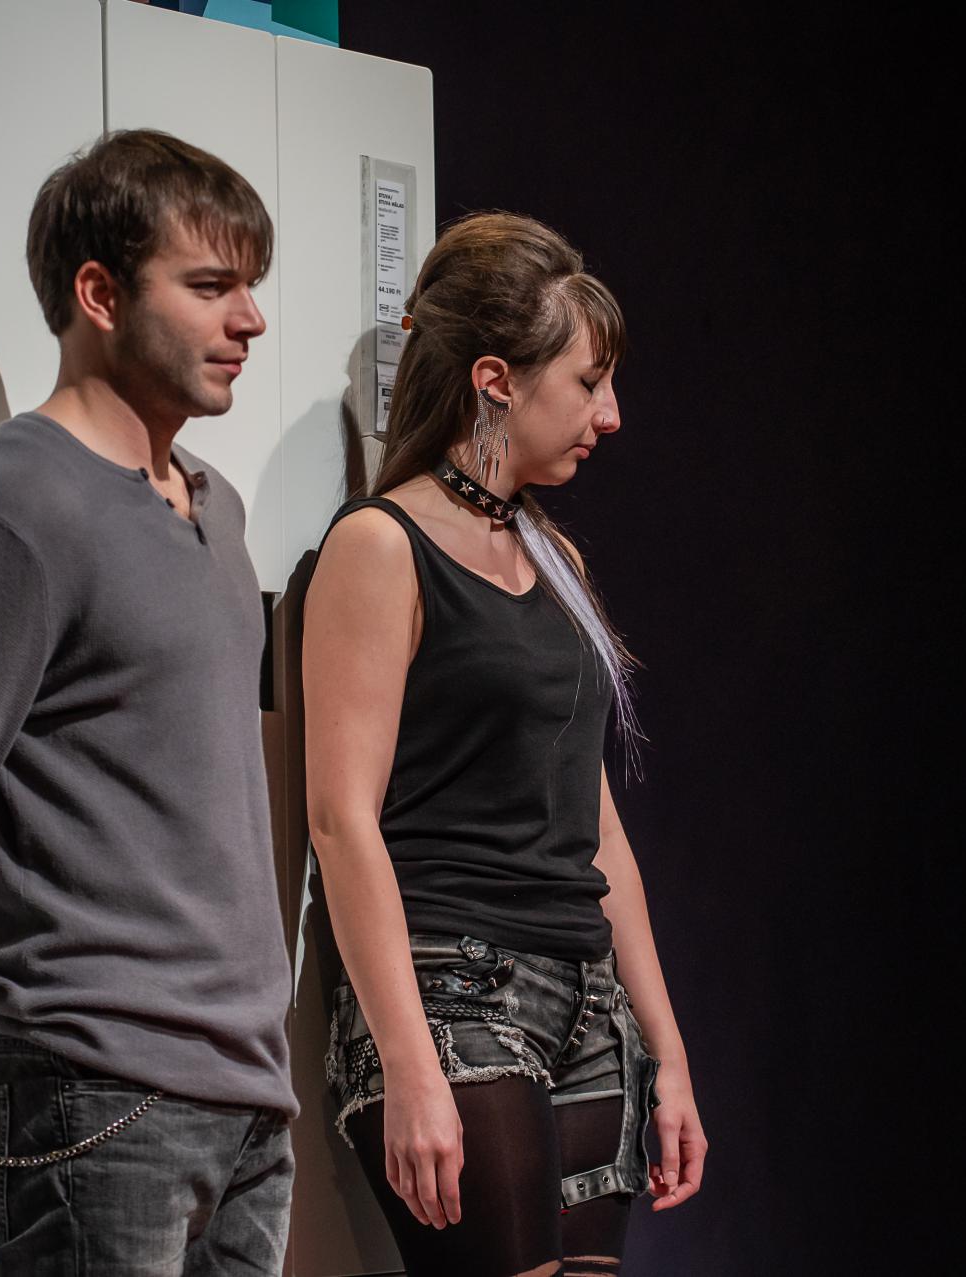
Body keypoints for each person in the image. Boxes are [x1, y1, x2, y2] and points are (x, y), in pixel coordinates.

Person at [0, 129, 296, 1276]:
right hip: (92, 1084)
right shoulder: (16, 511)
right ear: (100, 294)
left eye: (250, 285)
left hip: (246, 1093)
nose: (250, 319)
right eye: (211, 286)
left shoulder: (217, 506)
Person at [301, 213, 708, 1277]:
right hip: (455, 992)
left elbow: (596, 825)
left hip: (587, 1004)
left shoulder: (552, 553)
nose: (610, 415)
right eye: (588, 383)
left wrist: (667, 1051)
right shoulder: (379, 544)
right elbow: (341, 820)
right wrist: (410, 1063)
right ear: (496, 380)